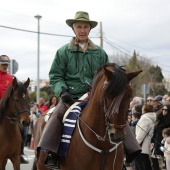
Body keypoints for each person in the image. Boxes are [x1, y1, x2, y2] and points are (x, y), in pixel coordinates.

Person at [38, 11, 141, 169]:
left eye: (85, 27)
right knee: (57, 115)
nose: (82, 30)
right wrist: (62, 90)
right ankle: (51, 154)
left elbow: (110, 78)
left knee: (116, 115)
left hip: (95, 97)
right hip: (70, 97)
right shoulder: (63, 52)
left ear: (89, 29)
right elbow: (55, 76)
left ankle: (130, 152)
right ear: (73, 29)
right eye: (79, 26)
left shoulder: (100, 53)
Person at [0, 55, 29, 164]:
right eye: (3, 64)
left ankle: (20, 153)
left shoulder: (11, 78)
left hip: (9, 107)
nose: (5, 66)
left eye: (6, 64)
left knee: (24, 129)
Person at [135, 104, 156, 170]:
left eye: (143, 108)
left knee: (142, 165)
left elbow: (141, 133)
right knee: (144, 164)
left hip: (141, 146)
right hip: (144, 145)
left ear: (145, 110)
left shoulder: (145, 118)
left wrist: (135, 144)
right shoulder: (149, 118)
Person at [151, 102, 170, 170]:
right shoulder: (160, 119)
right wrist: (152, 141)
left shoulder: (168, 121)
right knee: (155, 159)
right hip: (157, 141)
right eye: (163, 109)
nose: (164, 111)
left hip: (165, 144)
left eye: (166, 110)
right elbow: (156, 131)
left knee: (166, 161)